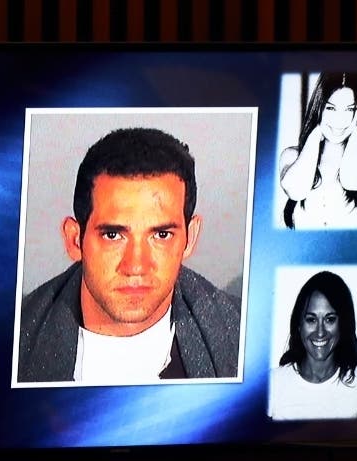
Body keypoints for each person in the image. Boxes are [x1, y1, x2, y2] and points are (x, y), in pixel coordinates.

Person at [18, 127, 242, 384]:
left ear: (189, 238)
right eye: (113, 235)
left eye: (161, 235)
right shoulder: (11, 339)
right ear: (74, 240)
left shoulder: (245, 337)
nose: (136, 266)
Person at [279, 71, 357, 229]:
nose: (340, 120)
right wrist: (315, 133)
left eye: (350, 110)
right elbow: (297, 191)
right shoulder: (292, 156)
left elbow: (353, 182)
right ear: (318, 107)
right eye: (330, 108)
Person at [268, 271, 357, 420]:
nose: (320, 332)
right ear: (299, 325)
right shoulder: (272, 384)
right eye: (311, 320)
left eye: (329, 319)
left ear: (342, 324)